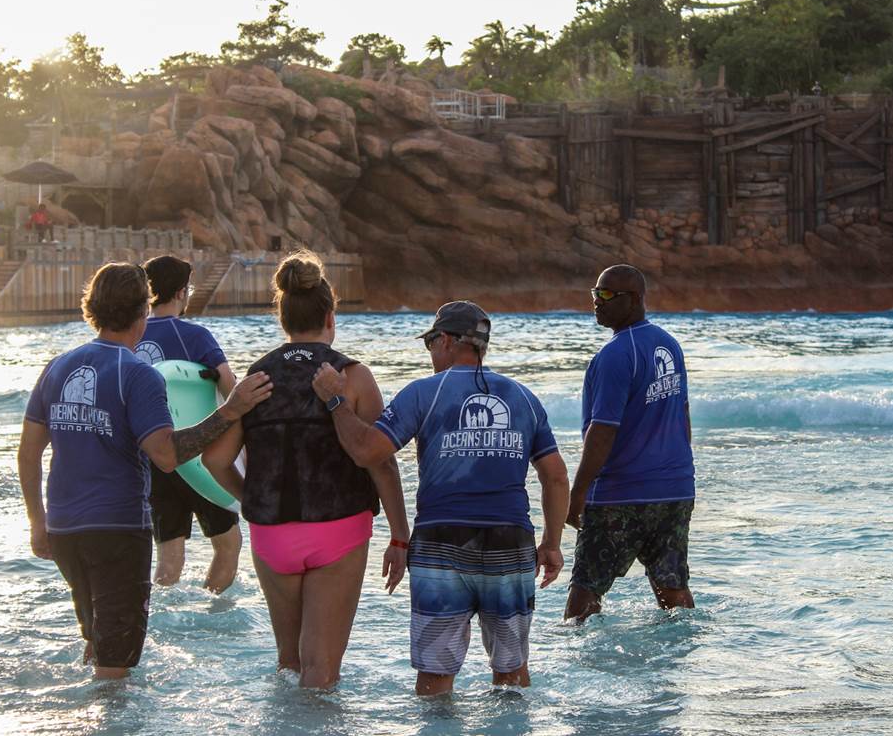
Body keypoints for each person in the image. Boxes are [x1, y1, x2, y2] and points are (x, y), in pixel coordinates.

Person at [17, 262, 273, 680]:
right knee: (115, 670)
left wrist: (37, 521)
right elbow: (166, 455)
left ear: (91, 308)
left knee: (96, 641)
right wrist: (230, 412)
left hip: (64, 530)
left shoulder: (57, 366)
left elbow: (28, 454)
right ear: (141, 310)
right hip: (116, 532)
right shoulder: (139, 375)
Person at [309, 300, 569, 696]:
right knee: (512, 675)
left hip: (441, 544)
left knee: (435, 679)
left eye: (430, 342)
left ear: (445, 340)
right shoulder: (524, 398)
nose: (430, 352)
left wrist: (335, 401)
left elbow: (366, 451)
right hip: (509, 542)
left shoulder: (423, 393)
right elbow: (556, 477)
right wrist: (551, 543)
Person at [200, 250, 410, 689]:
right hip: (338, 528)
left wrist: (250, 497)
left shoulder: (256, 378)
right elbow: (381, 462)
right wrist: (399, 536)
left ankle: (281, 720)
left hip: (271, 534)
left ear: (283, 317)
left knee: (289, 663)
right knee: (321, 671)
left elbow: (214, 460)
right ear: (331, 316)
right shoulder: (352, 376)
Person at [564, 264, 696, 624]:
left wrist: (578, 493)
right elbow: (682, 414)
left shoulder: (615, 355)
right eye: (596, 293)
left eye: (607, 294)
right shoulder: (670, 345)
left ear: (634, 299)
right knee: (672, 590)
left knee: (584, 595)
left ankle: (574, 654)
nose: (597, 301)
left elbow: (603, 430)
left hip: (621, 495)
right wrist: (680, 472)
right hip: (674, 492)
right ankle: (687, 654)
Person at [135, 255, 241, 593]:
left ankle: (159, 614)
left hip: (154, 459)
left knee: (169, 557)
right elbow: (230, 388)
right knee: (228, 543)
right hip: (197, 454)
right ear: (182, 292)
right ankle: (213, 611)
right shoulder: (194, 336)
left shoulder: (131, 336)